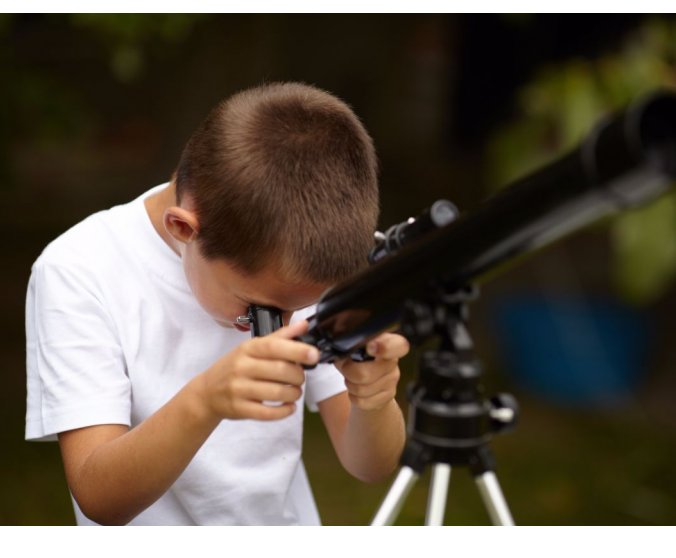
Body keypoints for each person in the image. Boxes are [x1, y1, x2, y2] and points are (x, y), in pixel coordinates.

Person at [25, 81, 409, 526]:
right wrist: (205, 400)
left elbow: (370, 466)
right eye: (261, 310)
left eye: (301, 308)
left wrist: (374, 400)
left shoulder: (294, 261)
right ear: (184, 229)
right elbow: (98, 495)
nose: (286, 325)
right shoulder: (79, 270)